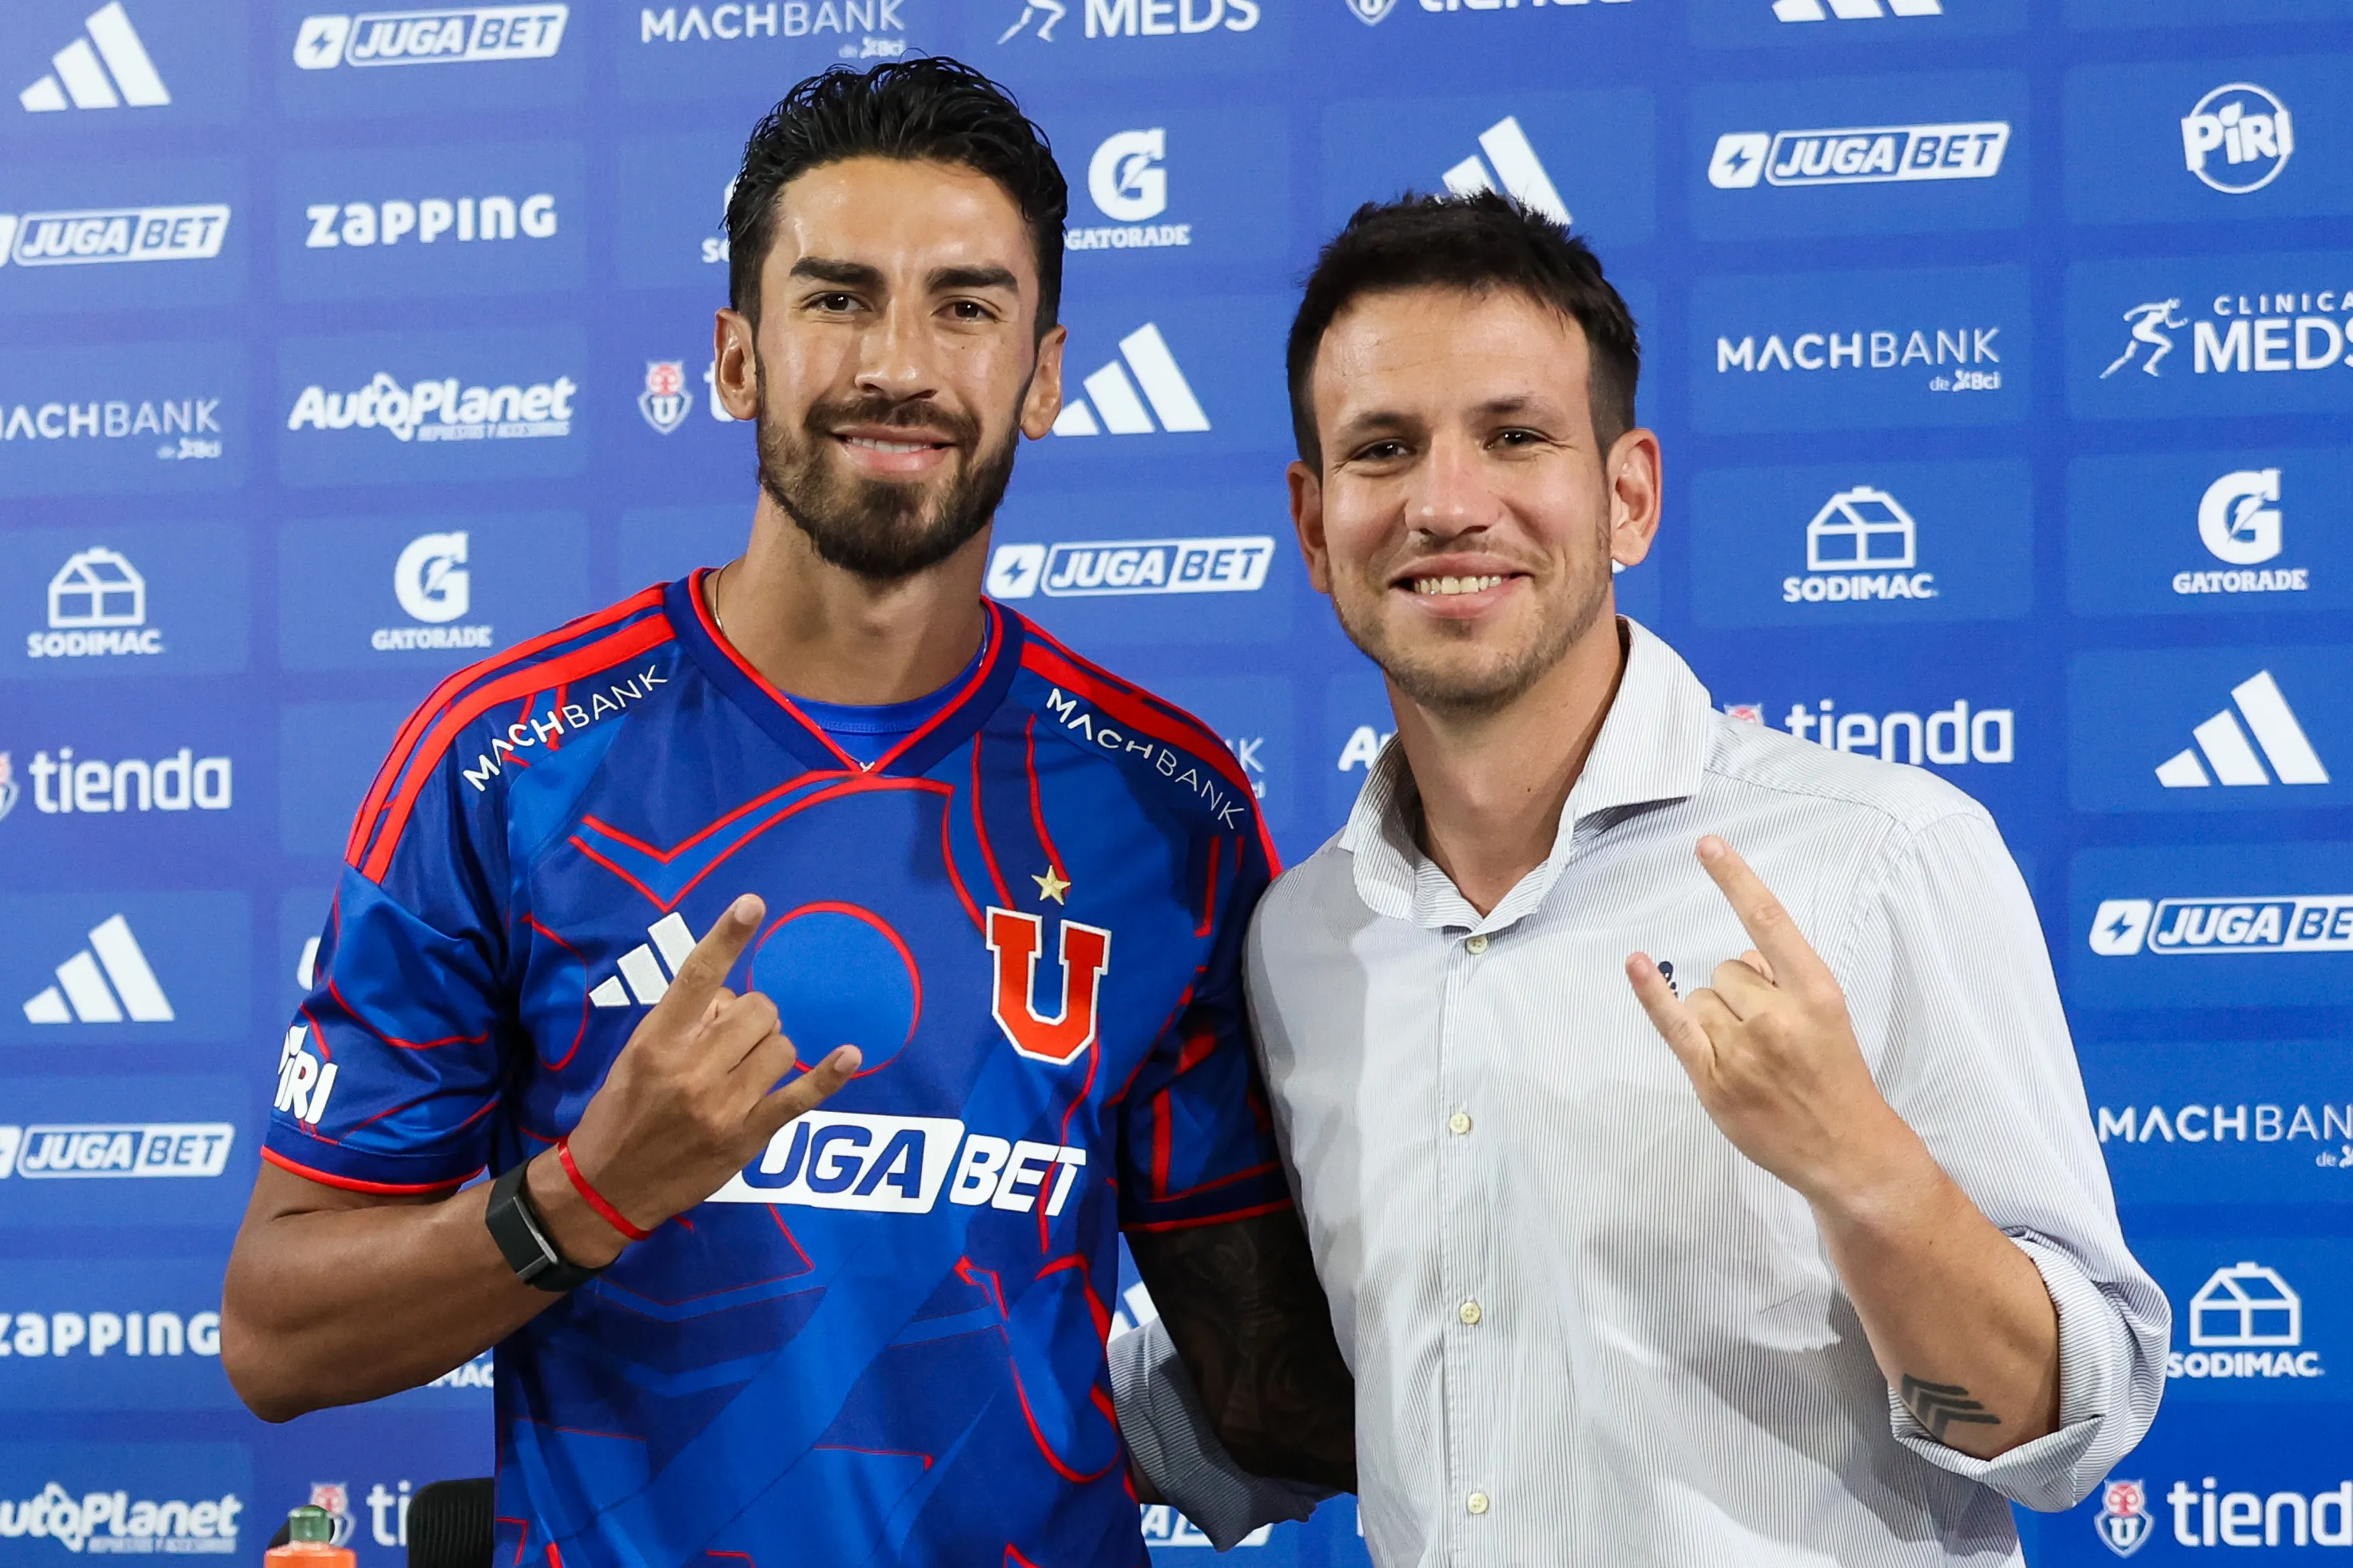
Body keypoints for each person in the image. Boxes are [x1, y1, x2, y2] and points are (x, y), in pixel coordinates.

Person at [219, 59, 1352, 1568]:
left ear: (1047, 370)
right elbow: (278, 1335)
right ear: (737, 358)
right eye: (837, 298)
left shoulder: (1165, 809)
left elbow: (1271, 1386)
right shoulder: (506, 765)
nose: (900, 361)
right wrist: (586, 1194)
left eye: (966, 305)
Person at [1234, 192, 2166, 1564]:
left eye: (1514, 436)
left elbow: (2063, 1427)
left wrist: (1863, 1167)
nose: (1445, 502)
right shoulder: (1302, 938)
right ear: (1316, 527)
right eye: (1385, 449)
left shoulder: (1875, 856)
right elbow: (1281, 1388)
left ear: (1627, 496)